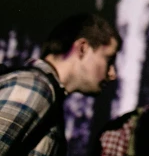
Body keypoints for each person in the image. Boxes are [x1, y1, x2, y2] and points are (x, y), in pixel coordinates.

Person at [0, 12, 121, 156]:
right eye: (109, 60)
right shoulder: (35, 89)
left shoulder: (47, 94)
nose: (113, 74)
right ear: (83, 48)